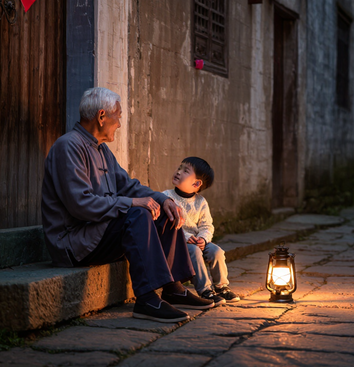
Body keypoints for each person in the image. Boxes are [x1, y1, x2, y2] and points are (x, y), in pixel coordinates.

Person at [40, 87, 213, 323]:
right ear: (102, 117)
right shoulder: (68, 146)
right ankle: (147, 299)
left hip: (100, 232)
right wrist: (133, 203)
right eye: (117, 116)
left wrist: (165, 200)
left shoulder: (102, 150)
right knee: (138, 215)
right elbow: (81, 205)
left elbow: (129, 186)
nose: (119, 123)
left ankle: (174, 288)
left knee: (165, 212)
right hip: (75, 242)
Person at [163, 157, 239, 306]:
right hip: (177, 241)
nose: (178, 172)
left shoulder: (201, 202)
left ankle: (221, 287)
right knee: (195, 251)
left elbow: (207, 226)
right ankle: (205, 290)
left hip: (198, 241)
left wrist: (203, 239)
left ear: (196, 184)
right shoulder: (166, 197)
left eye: (185, 171)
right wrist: (186, 237)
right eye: (179, 168)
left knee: (216, 251)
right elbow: (166, 223)